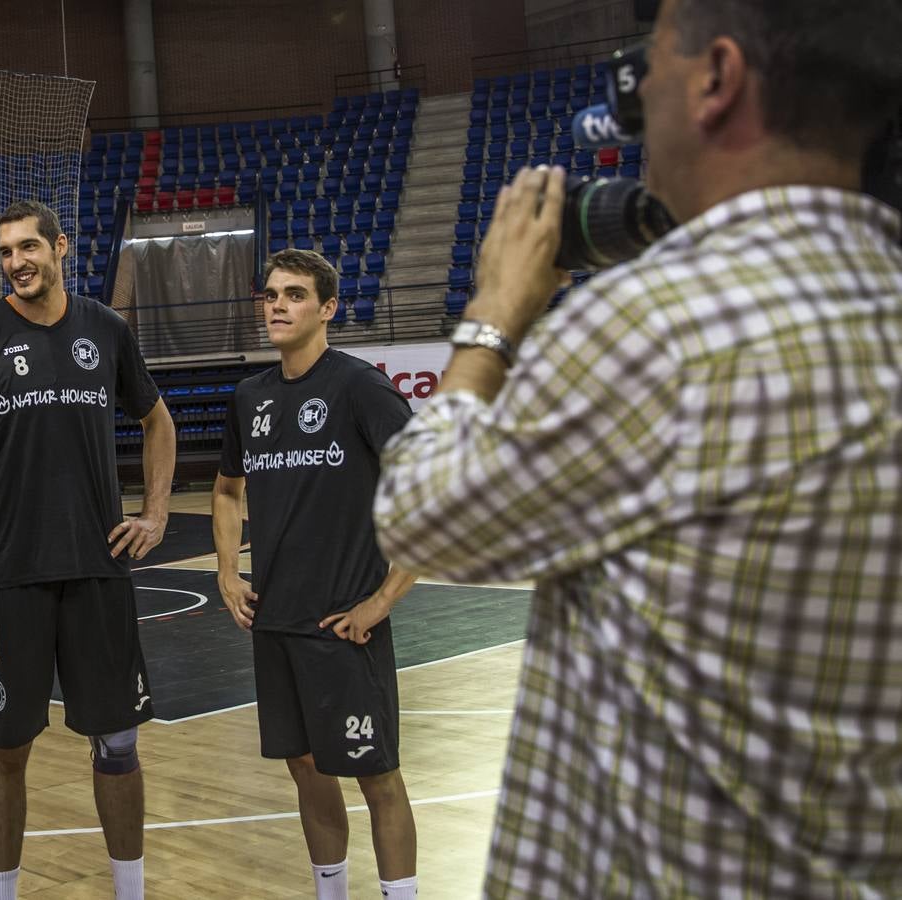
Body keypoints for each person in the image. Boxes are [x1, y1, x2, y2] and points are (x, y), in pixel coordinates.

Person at [372, 0, 902, 895]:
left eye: (651, 63)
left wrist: (495, 315)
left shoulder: (657, 325)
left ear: (715, 78)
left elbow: (422, 517)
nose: (635, 93)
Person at [0, 200, 175, 900]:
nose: (16, 262)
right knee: (6, 748)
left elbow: (156, 421)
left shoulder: (104, 329)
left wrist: (156, 513)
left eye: (27, 248)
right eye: (5, 252)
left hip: (98, 571)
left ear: (60, 247)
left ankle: (129, 893)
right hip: (9, 581)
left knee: (119, 745)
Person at [211, 249, 420, 900]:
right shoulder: (251, 397)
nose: (276, 305)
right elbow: (224, 490)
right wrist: (225, 571)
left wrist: (383, 599)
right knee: (303, 768)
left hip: (342, 628)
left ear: (327, 308)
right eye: (270, 294)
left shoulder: (360, 387)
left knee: (376, 775)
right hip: (273, 623)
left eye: (294, 295)